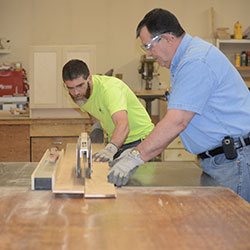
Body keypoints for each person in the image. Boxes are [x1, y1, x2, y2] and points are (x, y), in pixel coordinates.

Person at [108, 8, 250, 202]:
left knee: (232, 228)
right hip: (222, 159)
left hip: (233, 161)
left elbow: (177, 121)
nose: (149, 54)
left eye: (149, 46)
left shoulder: (196, 61)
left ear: (167, 38)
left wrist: (135, 156)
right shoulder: (184, 61)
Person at [62, 59, 154, 162]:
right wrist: (97, 129)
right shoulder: (78, 95)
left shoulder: (109, 89)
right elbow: (92, 110)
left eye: (80, 85)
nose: (76, 92)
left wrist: (110, 149)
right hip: (117, 141)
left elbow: (123, 124)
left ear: (90, 79)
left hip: (140, 141)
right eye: (70, 88)